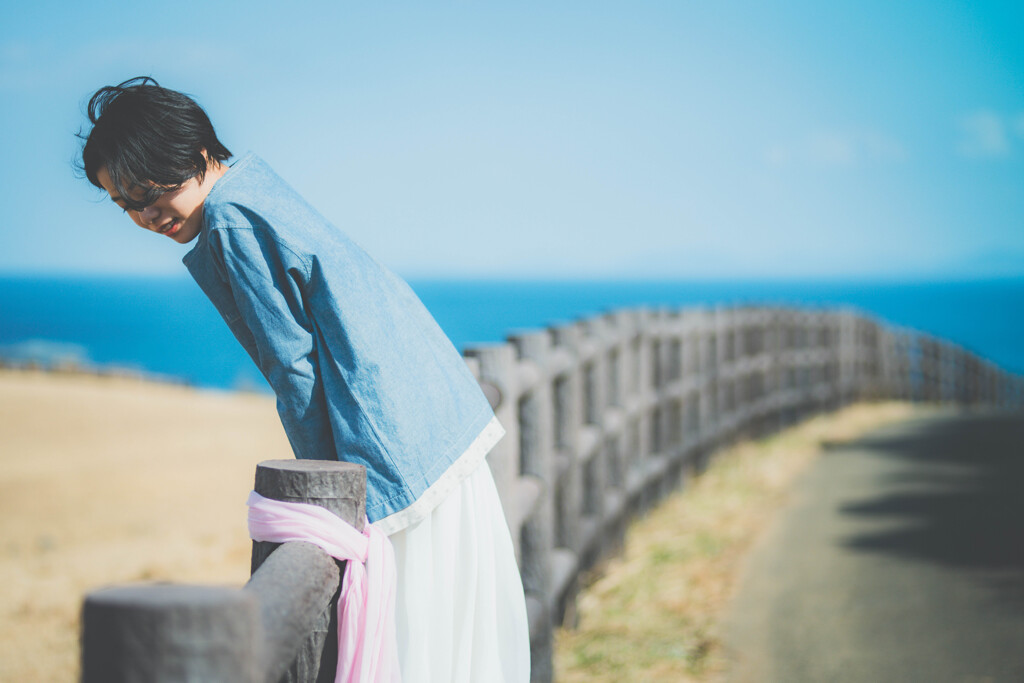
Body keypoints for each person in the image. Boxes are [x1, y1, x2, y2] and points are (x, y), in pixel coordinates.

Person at [78, 76, 530, 683]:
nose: (143, 215)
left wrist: (330, 501)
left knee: (416, 639)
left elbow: (294, 368)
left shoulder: (231, 220)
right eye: (124, 204)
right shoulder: (256, 185)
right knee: (459, 631)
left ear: (191, 155)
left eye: (148, 191)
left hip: (395, 448)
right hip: (437, 425)